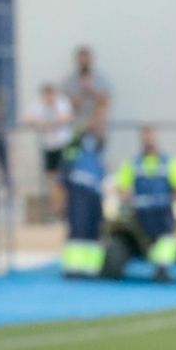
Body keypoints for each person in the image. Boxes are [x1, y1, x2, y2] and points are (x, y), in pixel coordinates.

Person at [116, 126, 176, 281]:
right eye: (146, 139)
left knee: (166, 239)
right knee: (150, 239)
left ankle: (162, 268)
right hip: (142, 211)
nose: (149, 142)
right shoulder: (133, 163)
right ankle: (159, 266)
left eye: (151, 138)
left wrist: (172, 200)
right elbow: (122, 187)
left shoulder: (170, 162)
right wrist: (131, 199)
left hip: (163, 209)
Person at [58, 107, 109, 279]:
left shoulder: (98, 146)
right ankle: (73, 267)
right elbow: (65, 169)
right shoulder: (76, 144)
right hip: (79, 191)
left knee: (94, 229)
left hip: (96, 192)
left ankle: (91, 267)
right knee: (78, 227)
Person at [24, 82, 75, 220]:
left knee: (63, 178)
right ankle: (55, 210)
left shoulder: (62, 103)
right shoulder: (38, 105)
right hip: (48, 146)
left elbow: (67, 117)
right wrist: (42, 124)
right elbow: (28, 119)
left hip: (62, 145)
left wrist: (50, 124)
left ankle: (64, 208)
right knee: (52, 179)